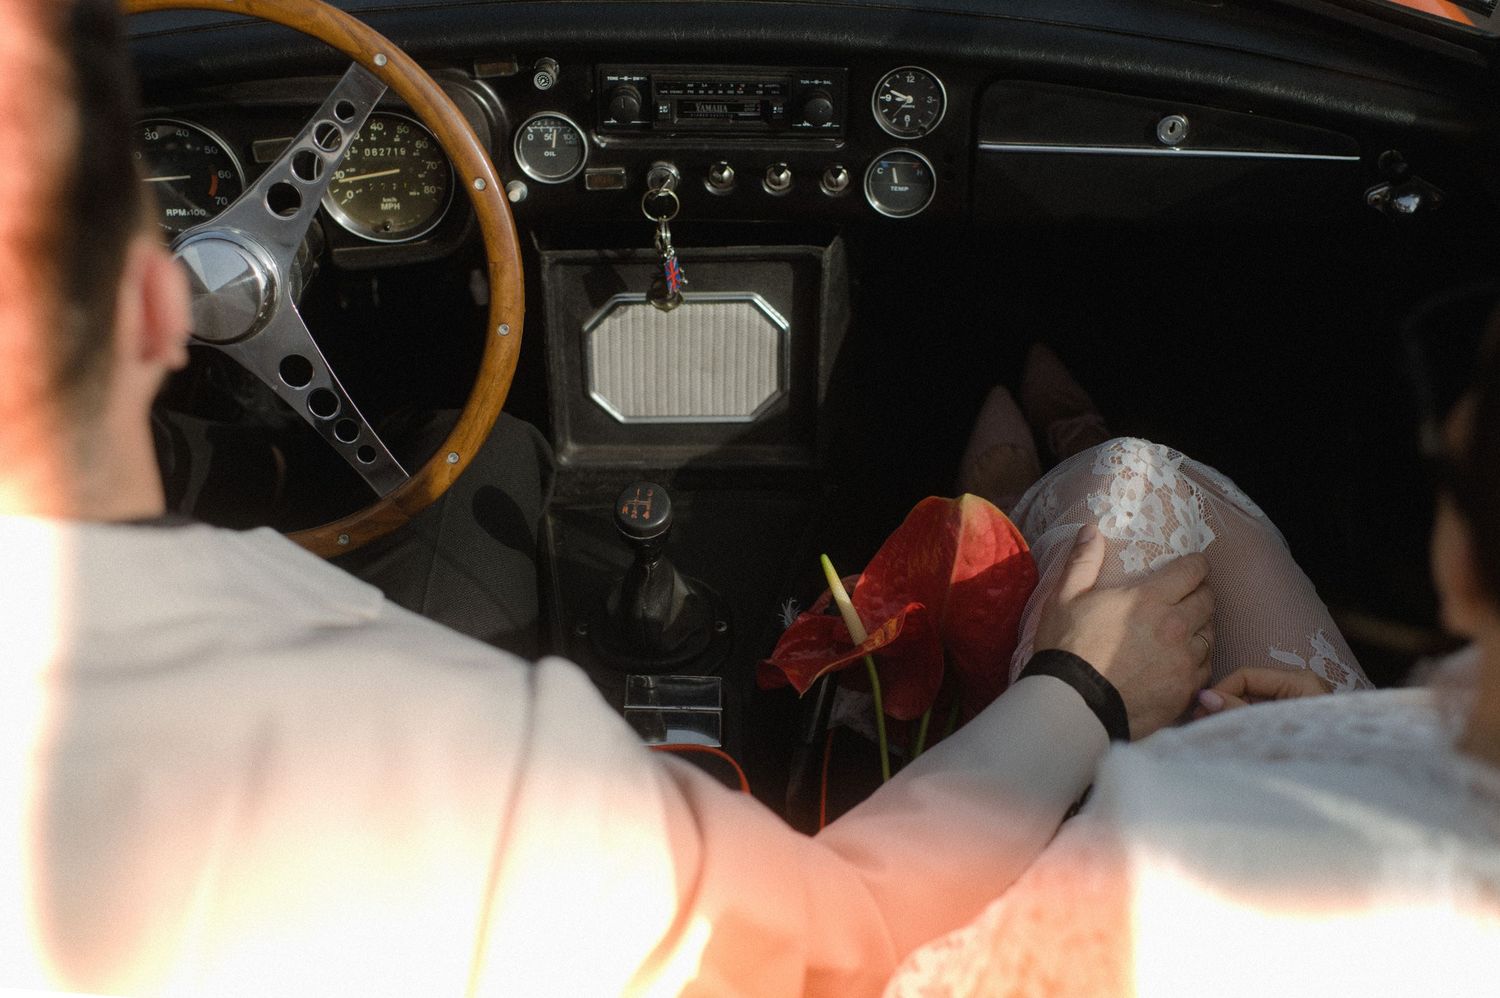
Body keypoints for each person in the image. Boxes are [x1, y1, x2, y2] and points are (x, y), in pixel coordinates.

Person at [0, 3, 1214, 994]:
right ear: (157, 305)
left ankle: (1014, 485)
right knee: (481, 457)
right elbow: (841, 935)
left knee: (478, 453)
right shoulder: (477, 760)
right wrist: (1081, 687)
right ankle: (1033, 477)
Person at [885, 348, 1500, 995]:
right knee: (1140, 479)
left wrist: (1073, 684)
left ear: (1461, 564)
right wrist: (1331, 743)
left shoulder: (1152, 888)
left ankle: (1012, 539)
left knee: (1128, 486)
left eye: (1454, 468)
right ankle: (1055, 485)